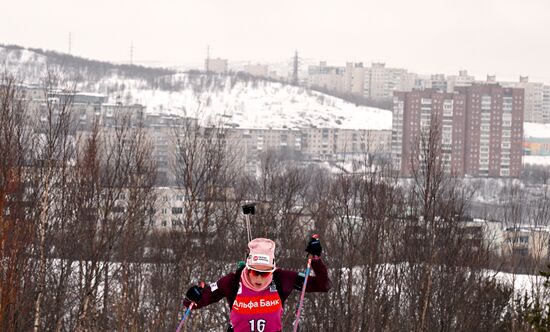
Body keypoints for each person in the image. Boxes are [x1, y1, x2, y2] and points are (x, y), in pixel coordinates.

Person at [183, 236, 331, 332]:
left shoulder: (281, 279)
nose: (259, 278)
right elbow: (194, 303)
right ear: (248, 267)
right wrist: (192, 296)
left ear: (272, 269)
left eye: (265, 273)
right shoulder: (232, 281)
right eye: (255, 272)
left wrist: (316, 260)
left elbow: (323, 285)